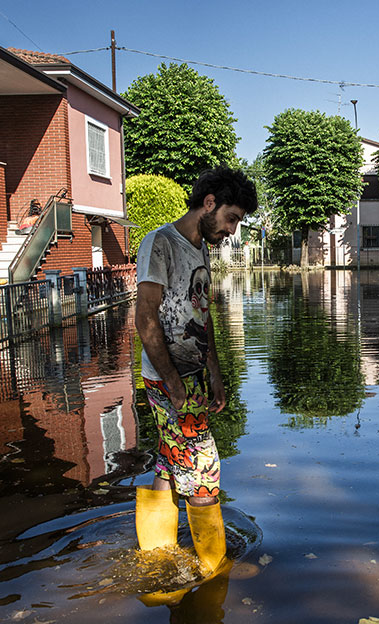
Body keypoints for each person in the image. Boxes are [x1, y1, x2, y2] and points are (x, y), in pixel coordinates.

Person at [134, 167, 257, 579]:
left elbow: (202, 320)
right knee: (204, 468)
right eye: (232, 218)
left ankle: (156, 561)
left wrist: (216, 375)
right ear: (209, 204)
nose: (232, 229)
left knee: (170, 464)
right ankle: (214, 568)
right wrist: (172, 383)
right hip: (169, 379)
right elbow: (146, 318)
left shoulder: (199, 247)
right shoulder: (160, 243)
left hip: (194, 378)